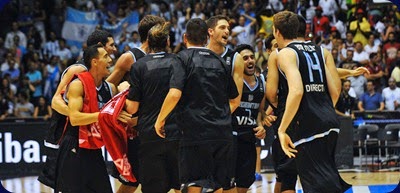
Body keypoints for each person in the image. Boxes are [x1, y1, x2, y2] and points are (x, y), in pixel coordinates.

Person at [154, 18, 239, 193]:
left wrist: (160, 120)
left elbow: (175, 93)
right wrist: (219, 117)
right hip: (222, 133)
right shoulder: (220, 61)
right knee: (221, 185)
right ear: (206, 38)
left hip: (195, 133)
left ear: (185, 37)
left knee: (194, 184)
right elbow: (234, 99)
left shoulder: (182, 59)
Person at [272, 11, 351, 193]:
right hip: (329, 120)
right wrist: (322, 108)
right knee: (327, 177)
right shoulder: (322, 51)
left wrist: (282, 129)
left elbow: (297, 90)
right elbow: (336, 88)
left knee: (318, 184)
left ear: (277, 32)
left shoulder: (285, 53)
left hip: (308, 125)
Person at [38, 29, 117, 189]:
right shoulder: (78, 70)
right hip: (65, 136)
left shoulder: (102, 76)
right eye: (111, 45)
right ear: (100, 47)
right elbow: (55, 101)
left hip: (89, 141)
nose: (114, 49)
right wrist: (80, 117)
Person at [106, 15, 165, 193]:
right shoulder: (130, 58)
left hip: (157, 123)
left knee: (162, 177)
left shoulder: (164, 57)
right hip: (135, 128)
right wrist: (125, 92)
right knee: (132, 180)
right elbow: (108, 87)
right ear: (152, 34)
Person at [124, 22, 181, 193]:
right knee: (181, 186)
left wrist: (124, 91)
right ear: (168, 42)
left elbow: (133, 108)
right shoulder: (178, 62)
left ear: (148, 41)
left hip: (149, 135)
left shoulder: (139, 66)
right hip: (176, 132)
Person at [55, 44, 117, 193]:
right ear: (94, 62)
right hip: (74, 143)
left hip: (93, 147)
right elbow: (75, 118)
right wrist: (104, 116)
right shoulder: (78, 84)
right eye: (106, 57)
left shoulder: (110, 88)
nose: (110, 59)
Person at [231, 44, 267, 192]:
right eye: (245, 58)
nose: (250, 60)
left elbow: (260, 111)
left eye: (252, 57)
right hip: (232, 138)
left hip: (249, 140)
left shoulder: (262, 83)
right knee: (227, 183)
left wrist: (261, 126)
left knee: (244, 183)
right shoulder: (232, 82)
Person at [206, 15, 244, 111]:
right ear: (210, 31)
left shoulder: (236, 58)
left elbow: (235, 101)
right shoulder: (198, 55)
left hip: (221, 117)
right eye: (222, 27)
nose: (227, 31)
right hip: (200, 117)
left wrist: (219, 119)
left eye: (228, 28)